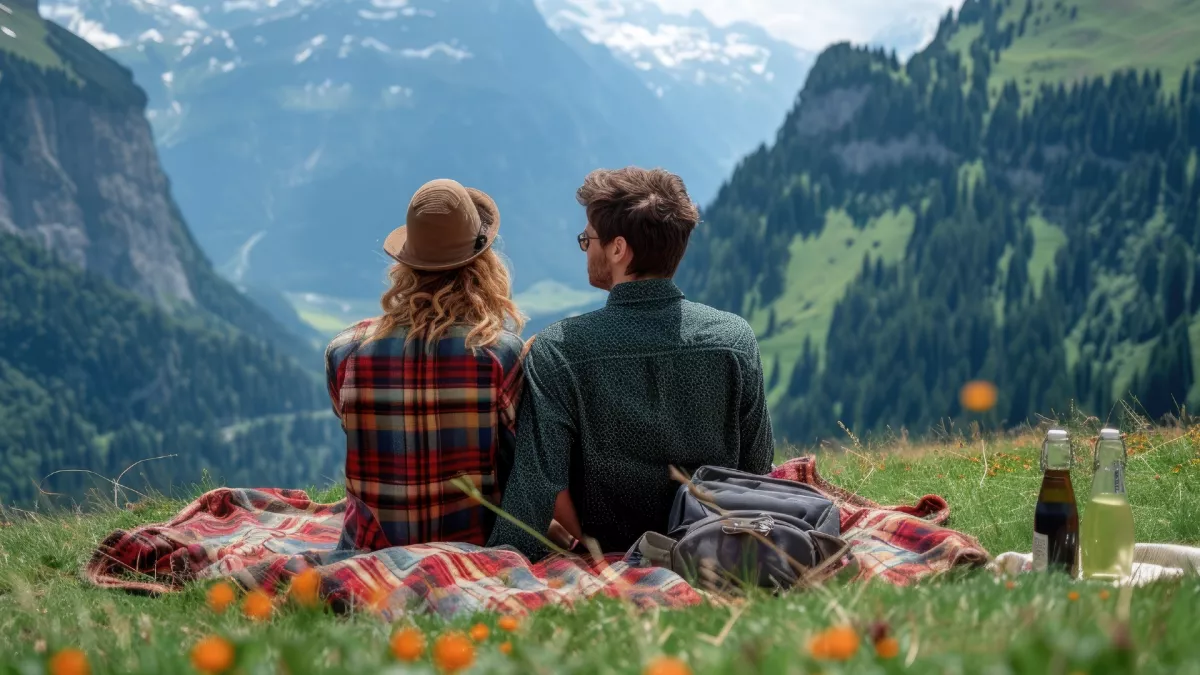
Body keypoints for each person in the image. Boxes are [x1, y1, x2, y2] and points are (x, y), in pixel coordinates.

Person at [488, 167, 774, 561]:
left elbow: (536, 489)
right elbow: (757, 471)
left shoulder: (561, 349)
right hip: (717, 547)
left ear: (619, 249)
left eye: (587, 238)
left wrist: (497, 566)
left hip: (609, 552)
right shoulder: (734, 338)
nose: (585, 247)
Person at [324, 178, 527, 551]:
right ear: (481, 265)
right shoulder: (501, 354)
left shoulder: (344, 353)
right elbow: (522, 464)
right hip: (472, 550)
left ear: (406, 263)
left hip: (368, 551)